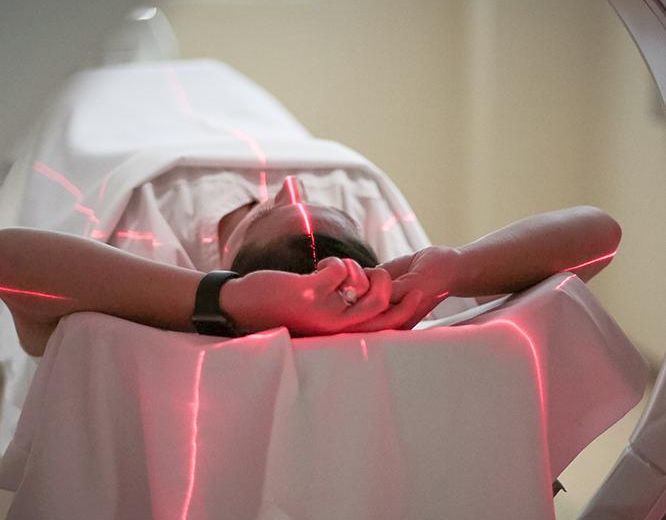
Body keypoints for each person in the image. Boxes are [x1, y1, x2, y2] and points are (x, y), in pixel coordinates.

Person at [0, 174, 621, 357]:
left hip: (142, 156)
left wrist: (230, 299)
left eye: (266, 211)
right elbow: (599, 232)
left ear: (230, 259)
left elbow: (11, 259)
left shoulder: (154, 265)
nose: (292, 188)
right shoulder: (406, 297)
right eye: (335, 215)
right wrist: (452, 268)